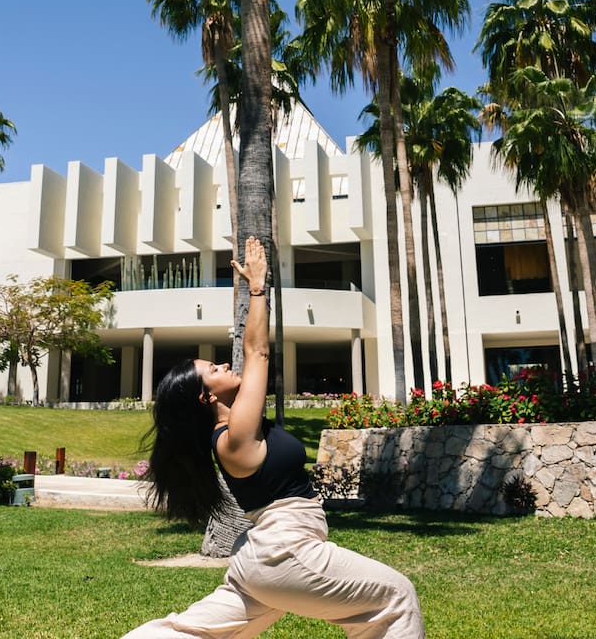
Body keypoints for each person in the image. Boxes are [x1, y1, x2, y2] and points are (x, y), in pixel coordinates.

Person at [124, 237, 423, 639]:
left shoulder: (239, 427)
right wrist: (258, 288)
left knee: (195, 631)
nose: (225, 364)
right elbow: (257, 352)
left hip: (263, 555)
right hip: (285, 550)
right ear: (206, 396)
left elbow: (252, 358)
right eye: (213, 367)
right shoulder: (233, 438)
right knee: (396, 597)